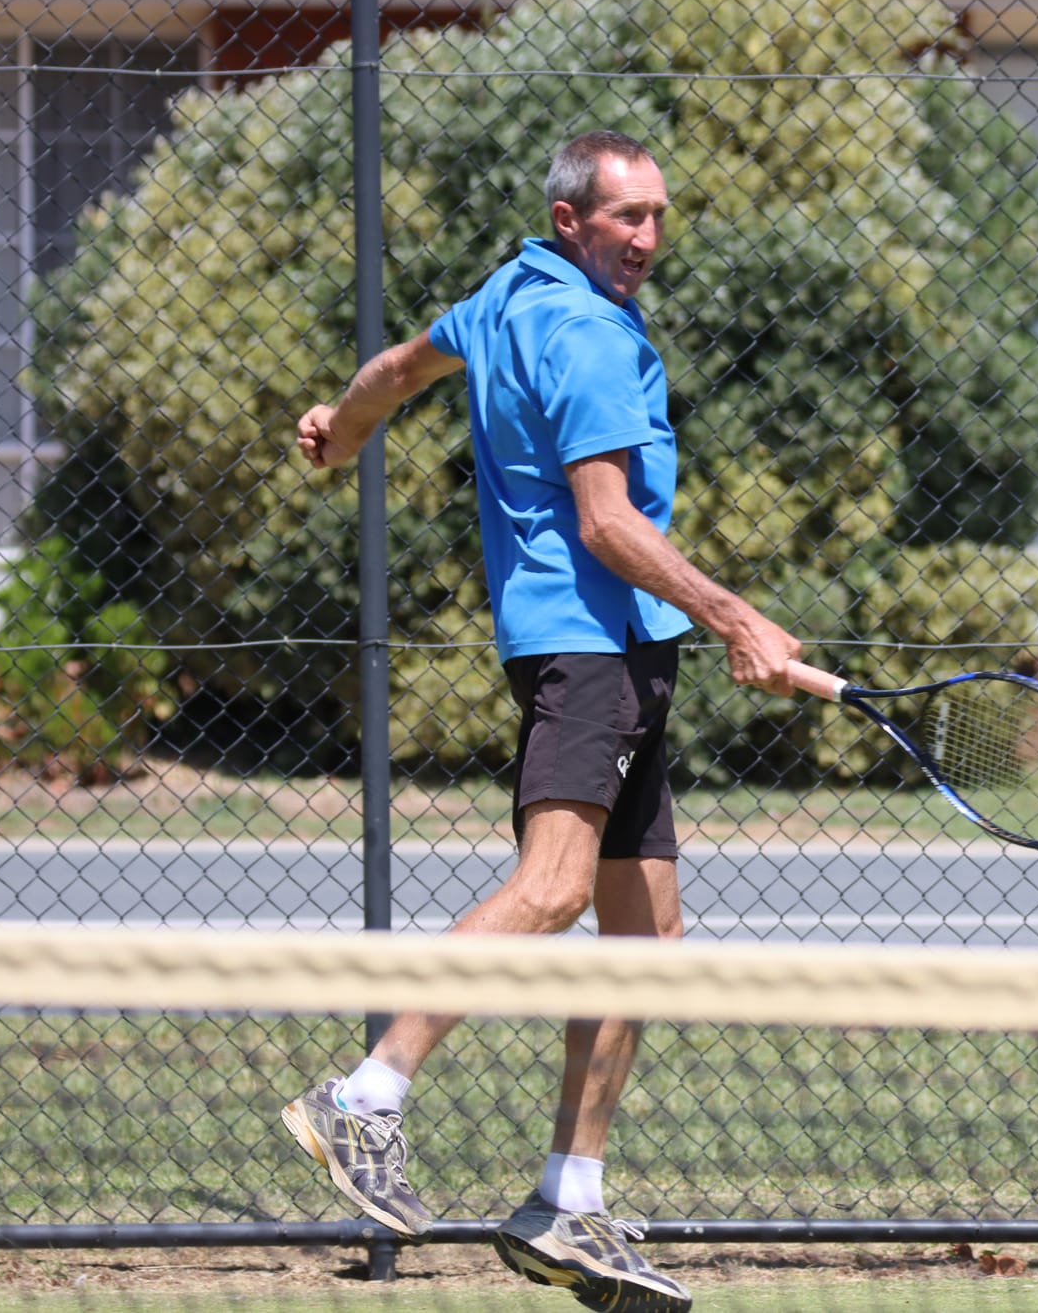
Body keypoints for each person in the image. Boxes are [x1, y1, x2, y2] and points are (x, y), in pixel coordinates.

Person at [283, 129, 801, 1313]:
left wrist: (340, 430)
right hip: (589, 646)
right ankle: (361, 1097)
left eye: (657, 215)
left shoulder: (505, 296)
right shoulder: (589, 336)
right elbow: (607, 522)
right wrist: (735, 616)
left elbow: (397, 369)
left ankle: (568, 1196)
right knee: (555, 885)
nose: (648, 238)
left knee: (646, 938)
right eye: (625, 217)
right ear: (570, 219)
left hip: (614, 650)